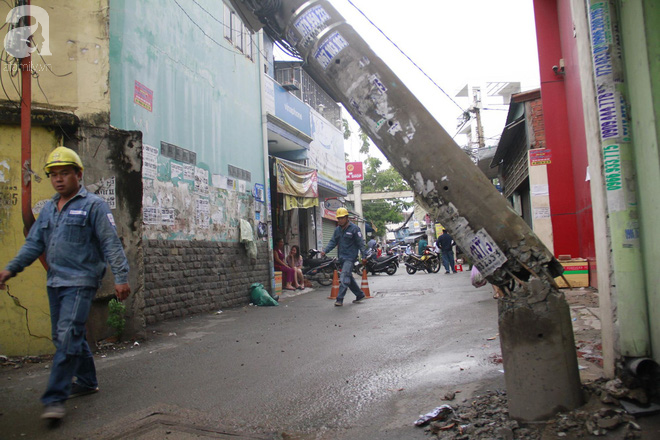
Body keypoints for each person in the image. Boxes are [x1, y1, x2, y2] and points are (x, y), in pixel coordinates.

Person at [0, 146, 131, 421]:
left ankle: (54, 398)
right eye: (53, 174)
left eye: (64, 173)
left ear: (78, 174)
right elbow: (34, 244)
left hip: (82, 280)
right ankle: (86, 380)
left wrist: (121, 278)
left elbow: (110, 243)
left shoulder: (93, 206)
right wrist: (9, 270)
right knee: (68, 334)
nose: (58, 179)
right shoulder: (49, 209)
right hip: (56, 281)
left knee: (68, 333)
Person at [321, 207, 367, 306]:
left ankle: (339, 299)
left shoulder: (355, 229)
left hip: (350, 258)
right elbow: (333, 242)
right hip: (341, 258)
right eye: (339, 218)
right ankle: (360, 295)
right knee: (348, 277)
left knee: (344, 277)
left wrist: (364, 256)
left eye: (342, 218)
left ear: (347, 218)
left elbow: (361, 244)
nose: (340, 220)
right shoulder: (337, 230)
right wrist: (325, 251)